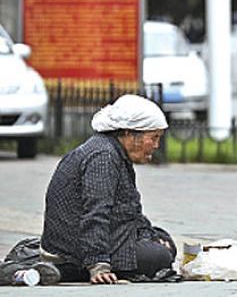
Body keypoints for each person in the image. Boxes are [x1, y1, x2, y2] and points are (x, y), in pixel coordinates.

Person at [39, 95, 175, 284]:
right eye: (153, 138)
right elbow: (95, 212)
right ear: (128, 134)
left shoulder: (113, 152)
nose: (156, 145)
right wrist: (98, 265)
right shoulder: (104, 157)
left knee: (162, 238)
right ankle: (71, 271)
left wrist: (148, 236)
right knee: (160, 256)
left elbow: (129, 211)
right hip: (76, 250)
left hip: (105, 236)